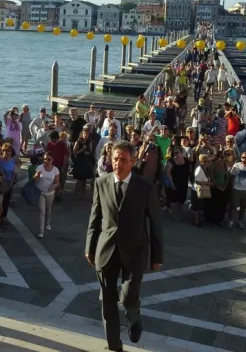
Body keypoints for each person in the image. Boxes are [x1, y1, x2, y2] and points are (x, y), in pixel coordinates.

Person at [85, 141, 164, 352]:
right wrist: (89, 247)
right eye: (115, 159)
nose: (118, 164)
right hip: (106, 250)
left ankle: (134, 318)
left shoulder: (145, 187)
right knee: (107, 302)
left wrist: (157, 256)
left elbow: (155, 224)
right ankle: (114, 346)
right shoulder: (101, 183)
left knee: (128, 296)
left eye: (123, 160)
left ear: (133, 161)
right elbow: (95, 218)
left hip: (135, 250)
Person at [34, 151, 59, 238]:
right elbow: (35, 180)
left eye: (49, 159)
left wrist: (54, 186)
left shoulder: (55, 170)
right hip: (41, 192)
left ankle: (48, 222)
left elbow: (57, 182)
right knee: (42, 211)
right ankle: (41, 231)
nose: (46, 161)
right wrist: (36, 175)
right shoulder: (40, 167)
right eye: (45, 159)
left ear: (52, 160)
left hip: (50, 193)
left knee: (48, 209)